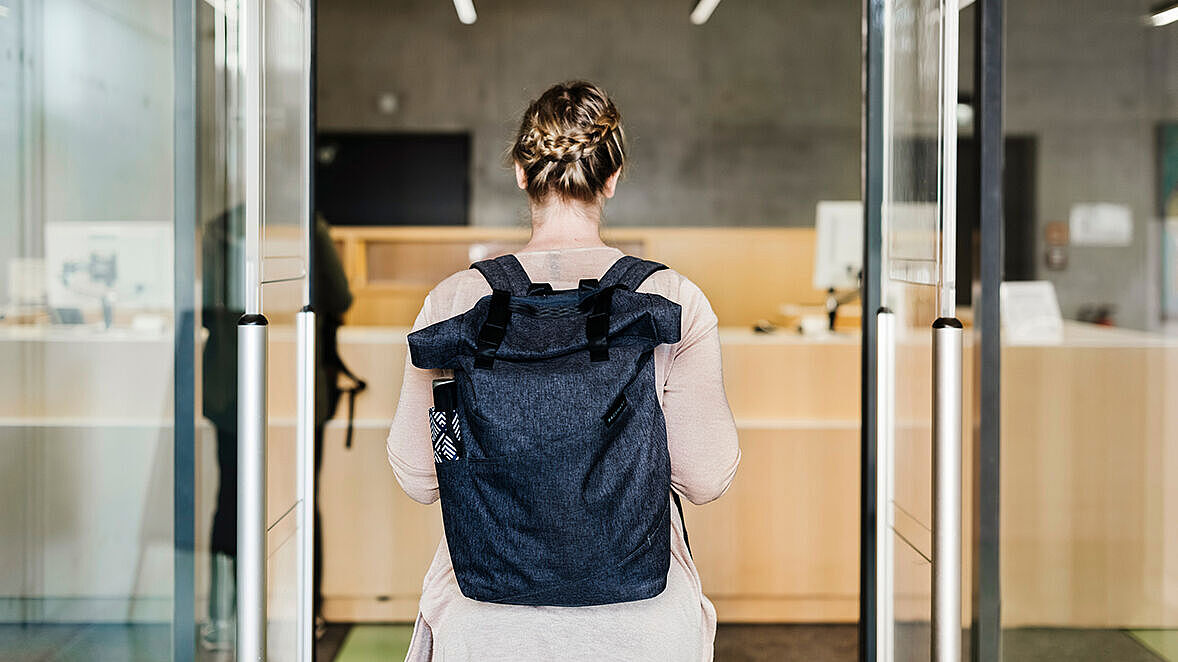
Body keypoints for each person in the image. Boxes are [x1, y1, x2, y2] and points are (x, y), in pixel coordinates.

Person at [386, 81, 741, 660]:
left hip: (486, 621)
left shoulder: (453, 302)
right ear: (612, 177)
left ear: (523, 175)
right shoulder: (672, 299)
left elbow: (421, 476)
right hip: (641, 622)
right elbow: (707, 476)